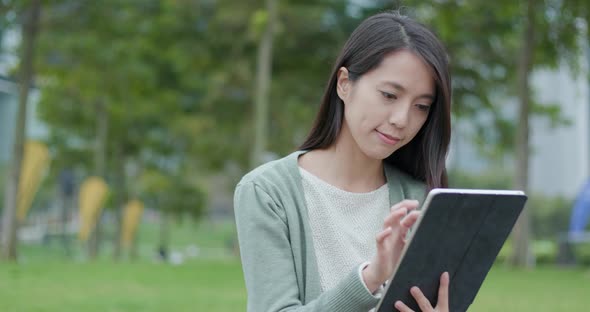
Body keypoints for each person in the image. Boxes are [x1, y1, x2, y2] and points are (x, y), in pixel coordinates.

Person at [234, 11, 452, 312]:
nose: (402, 119)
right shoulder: (268, 192)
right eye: (389, 95)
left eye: (421, 106)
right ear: (344, 84)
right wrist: (371, 278)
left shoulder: (422, 198)